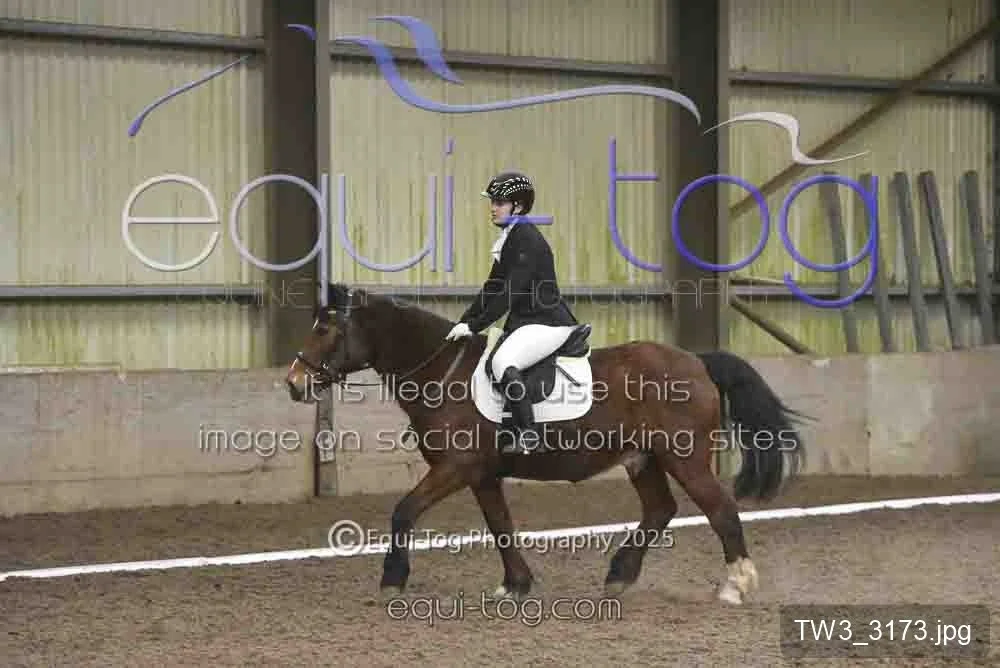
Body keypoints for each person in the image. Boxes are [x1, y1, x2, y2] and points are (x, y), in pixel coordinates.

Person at [444, 171, 580, 454]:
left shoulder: (526, 239)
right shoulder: (511, 237)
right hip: (526, 323)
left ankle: (530, 433)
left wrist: (476, 326)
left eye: (499, 202)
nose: (493, 208)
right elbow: (492, 287)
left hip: (547, 322)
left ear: (517, 206)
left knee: (502, 361)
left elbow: (509, 293)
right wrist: (464, 321)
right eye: (492, 202)